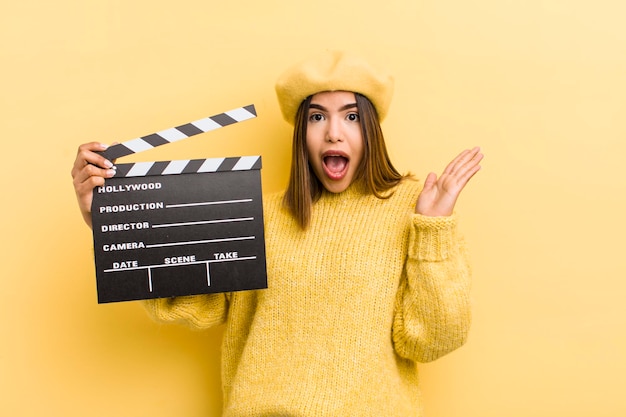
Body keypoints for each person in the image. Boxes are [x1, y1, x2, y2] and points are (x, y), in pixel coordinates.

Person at [71, 50, 483, 416]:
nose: (333, 133)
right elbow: (187, 304)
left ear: (371, 129)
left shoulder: (416, 211)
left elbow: (431, 340)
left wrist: (433, 229)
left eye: (351, 116)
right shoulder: (258, 217)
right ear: (301, 133)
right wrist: (107, 223)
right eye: (317, 116)